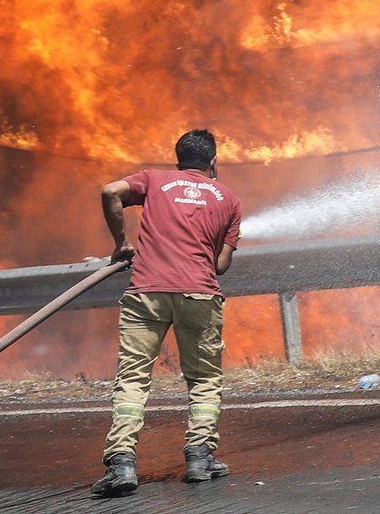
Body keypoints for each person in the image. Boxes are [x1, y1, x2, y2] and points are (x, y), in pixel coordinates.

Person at [90, 129, 242, 498]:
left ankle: (122, 462)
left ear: (178, 159)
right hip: (198, 294)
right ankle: (199, 456)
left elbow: (111, 191)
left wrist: (122, 244)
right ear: (213, 162)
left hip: (148, 292)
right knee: (203, 378)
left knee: (133, 379)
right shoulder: (229, 199)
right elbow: (220, 265)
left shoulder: (154, 180)